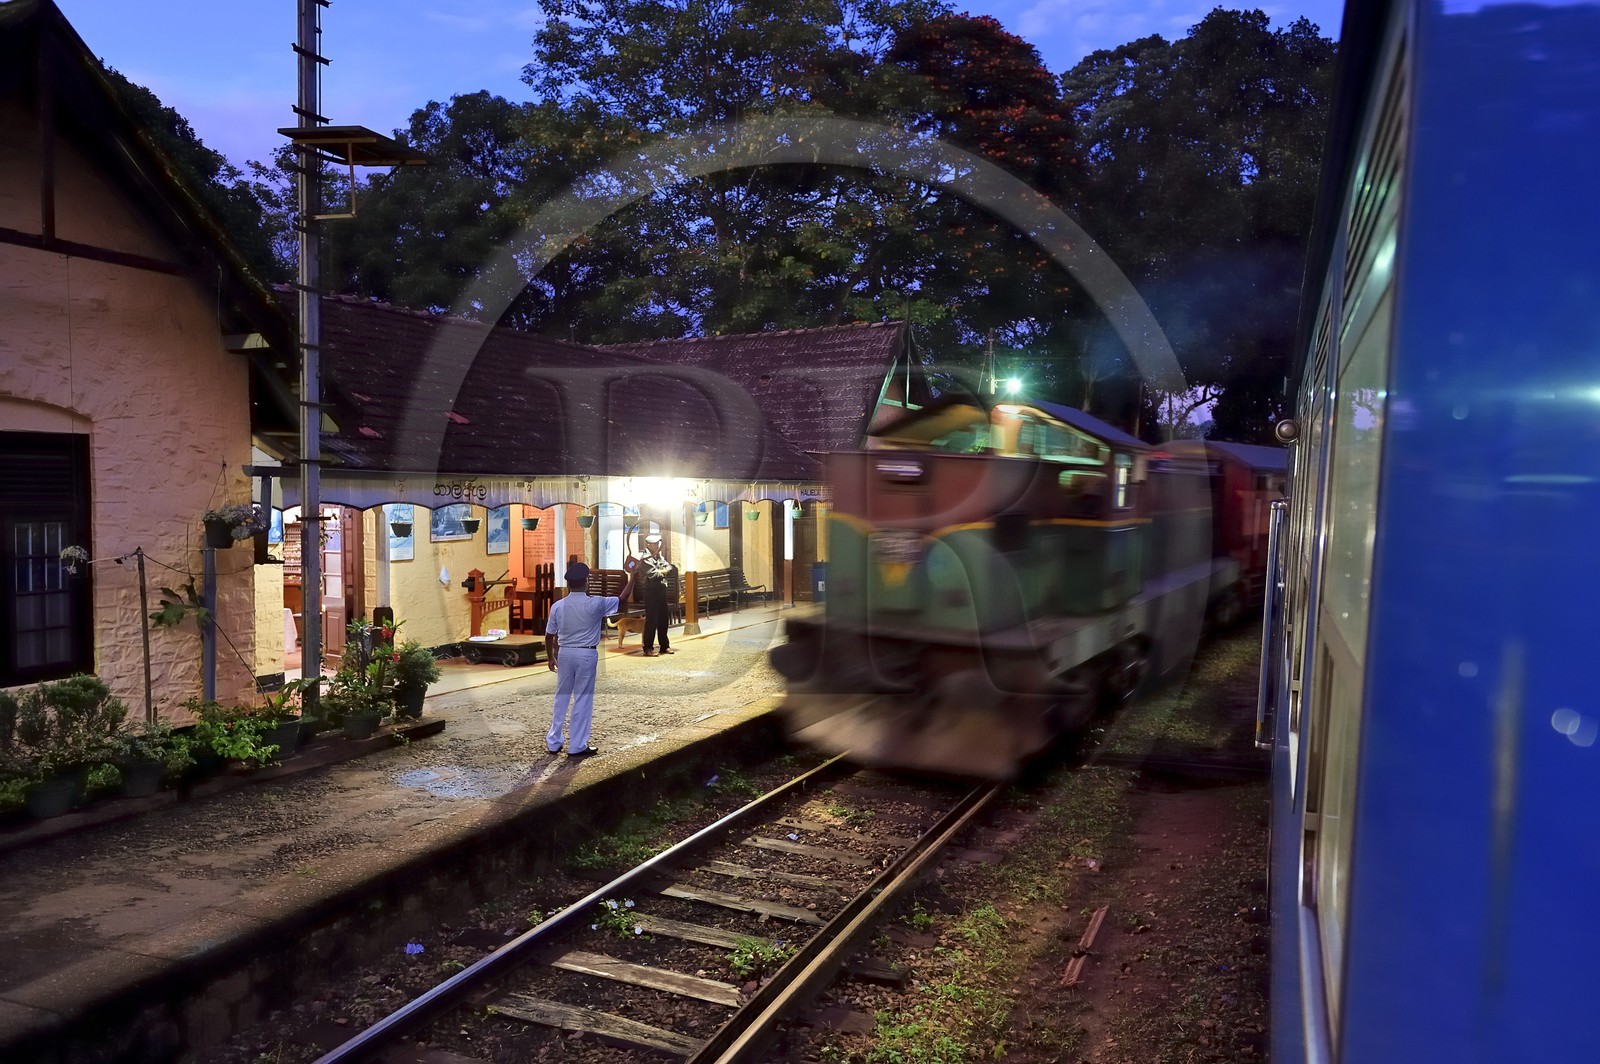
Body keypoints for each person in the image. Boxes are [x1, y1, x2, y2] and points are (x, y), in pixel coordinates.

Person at [545, 558, 634, 756]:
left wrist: (551, 657)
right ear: (586, 582)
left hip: (565, 652)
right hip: (586, 653)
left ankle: (554, 740)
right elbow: (623, 598)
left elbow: (549, 635)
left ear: (568, 584)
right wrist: (633, 576)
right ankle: (577, 745)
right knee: (583, 698)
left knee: (562, 696)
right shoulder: (596, 604)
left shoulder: (558, 606)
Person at [639, 533, 677, 656]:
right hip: (651, 591)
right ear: (648, 545)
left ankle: (664, 646)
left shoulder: (658, 556)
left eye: (657, 543)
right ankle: (648, 648)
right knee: (651, 620)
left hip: (661, 589)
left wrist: (664, 570)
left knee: (663, 619)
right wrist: (664, 571)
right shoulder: (645, 559)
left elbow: (669, 566)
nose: (657, 546)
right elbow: (653, 574)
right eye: (654, 544)